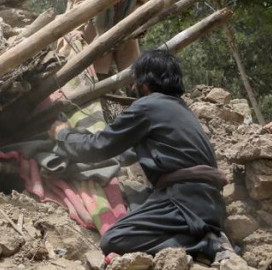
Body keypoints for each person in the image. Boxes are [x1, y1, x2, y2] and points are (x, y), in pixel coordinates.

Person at [49, 50, 232, 261]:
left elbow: (98, 147)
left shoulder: (147, 107)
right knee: (135, 200)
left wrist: (62, 135)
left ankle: (203, 242)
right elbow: (124, 153)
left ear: (146, 83)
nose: (133, 88)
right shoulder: (179, 110)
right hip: (208, 203)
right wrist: (79, 138)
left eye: (135, 82)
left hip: (183, 201)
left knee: (113, 240)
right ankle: (203, 234)